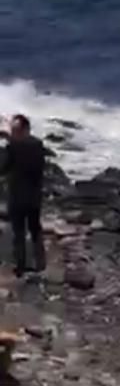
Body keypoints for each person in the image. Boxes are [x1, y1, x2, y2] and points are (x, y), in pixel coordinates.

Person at [1, 115, 47, 277]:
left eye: (16, 130)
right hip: (34, 196)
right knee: (35, 229)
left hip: (17, 196)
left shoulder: (13, 147)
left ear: (25, 130)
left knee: (18, 232)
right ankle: (40, 264)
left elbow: (3, 168)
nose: (14, 133)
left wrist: (8, 144)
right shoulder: (38, 144)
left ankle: (20, 266)